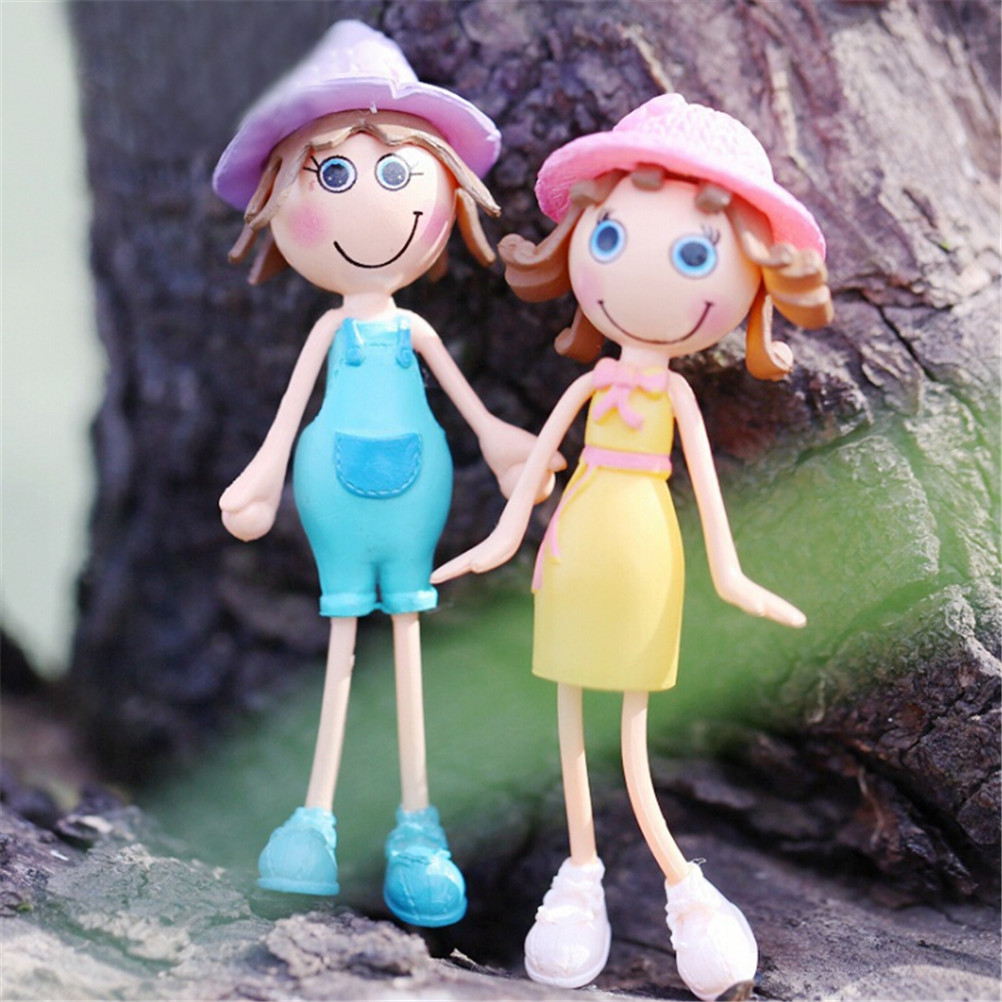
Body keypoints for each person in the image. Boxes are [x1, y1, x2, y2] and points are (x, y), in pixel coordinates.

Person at [433, 93, 833, 998]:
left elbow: (709, 501)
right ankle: (578, 882)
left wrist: (732, 575)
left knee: (633, 738)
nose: (638, 271)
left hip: (646, 554)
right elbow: (532, 481)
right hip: (575, 546)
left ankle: (687, 893)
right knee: (570, 727)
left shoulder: (674, 397)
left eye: (695, 256)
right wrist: (497, 542)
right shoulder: (590, 389)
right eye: (608, 237)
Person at [213, 20, 556, 928]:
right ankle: (313, 821)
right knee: (341, 646)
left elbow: (470, 408)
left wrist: (504, 445)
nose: (377, 200)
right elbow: (290, 414)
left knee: (405, 647)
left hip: (414, 499)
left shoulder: (416, 330)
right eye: (333, 176)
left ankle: (417, 827)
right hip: (333, 495)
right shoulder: (331, 331)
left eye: (401, 175)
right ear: (276, 201)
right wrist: (261, 478)